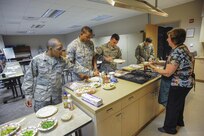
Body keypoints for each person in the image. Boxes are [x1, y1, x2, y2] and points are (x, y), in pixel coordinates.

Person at [148, 28, 194, 134]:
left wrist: (153, 67)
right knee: (179, 103)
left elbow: (168, 73)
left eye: (168, 38)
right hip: (187, 82)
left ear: (174, 40)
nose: (167, 40)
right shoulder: (183, 47)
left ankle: (169, 128)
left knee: (172, 106)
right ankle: (179, 122)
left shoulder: (176, 52)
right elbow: (175, 64)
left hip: (179, 84)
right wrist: (158, 64)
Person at [22, 38, 83, 112]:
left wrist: (91, 72)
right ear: (50, 49)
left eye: (62, 49)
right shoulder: (37, 60)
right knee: (42, 117)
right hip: (42, 97)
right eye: (59, 49)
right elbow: (29, 78)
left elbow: (75, 67)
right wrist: (28, 96)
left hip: (56, 96)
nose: (62, 51)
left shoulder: (62, 60)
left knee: (58, 114)